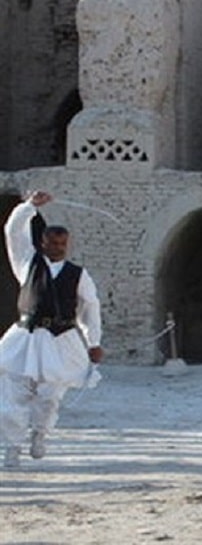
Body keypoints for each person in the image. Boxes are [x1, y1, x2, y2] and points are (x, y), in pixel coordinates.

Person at [0, 191, 103, 468]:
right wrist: (29, 207)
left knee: (49, 395)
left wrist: (94, 342)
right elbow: (12, 231)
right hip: (25, 337)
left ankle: (39, 434)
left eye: (62, 243)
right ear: (42, 242)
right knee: (13, 392)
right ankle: (11, 446)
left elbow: (90, 306)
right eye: (52, 242)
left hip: (60, 340)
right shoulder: (27, 264)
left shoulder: (78, 274)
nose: (57, 247)